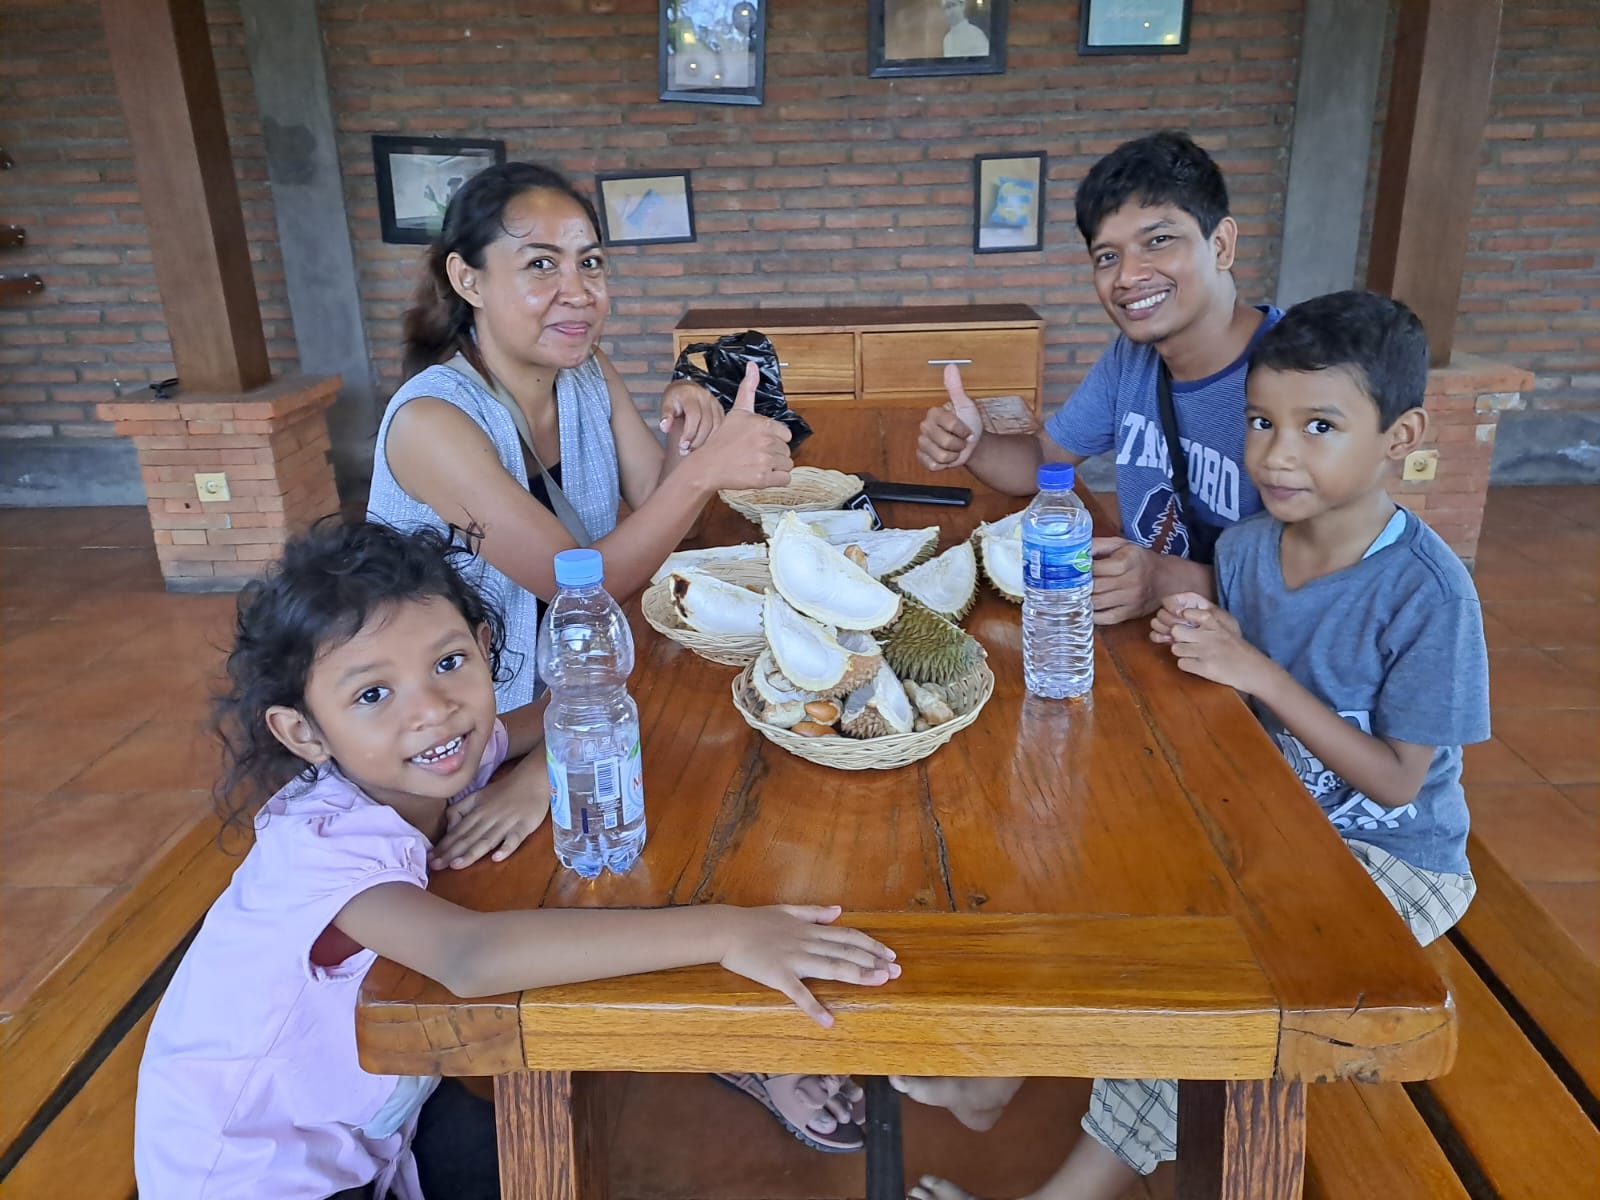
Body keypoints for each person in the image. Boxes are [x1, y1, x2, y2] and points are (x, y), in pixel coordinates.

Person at [895, 291, 1489, 1200]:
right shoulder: (1250, 550)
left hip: (1395, 858)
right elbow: (1207, 645)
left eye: (1319, 425)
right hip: (1278, 823)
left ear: (1400, 434)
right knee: (1107, 878)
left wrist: (1256, 671)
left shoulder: (1426, 592)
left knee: (1212, 989)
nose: (1278, 454)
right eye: (1261, 422)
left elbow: (1403, 783)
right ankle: (998, 1074)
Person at [133, 520, 901, 1200]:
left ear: (484, 649)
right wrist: (728, 933)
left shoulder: (428, 752)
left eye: (448, 663)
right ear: (304, 733)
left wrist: (542, 768)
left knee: (548, 1159)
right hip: (254, 1176)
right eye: (372, 695)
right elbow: (472, 955)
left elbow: (563, 706)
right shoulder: (320, 846)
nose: (431, 708)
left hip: (366, 1130)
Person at [916, 131, 1282, 625]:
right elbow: (1044, 462)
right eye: (1107, 256)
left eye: (1158, 241)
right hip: (1158, 636)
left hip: (1256, 671)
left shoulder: (1303, 372)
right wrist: (975, 443)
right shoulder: (1131, 359)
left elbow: (1328, 572)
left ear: (1221, 244)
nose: (1128, 276)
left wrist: (1169, 580)